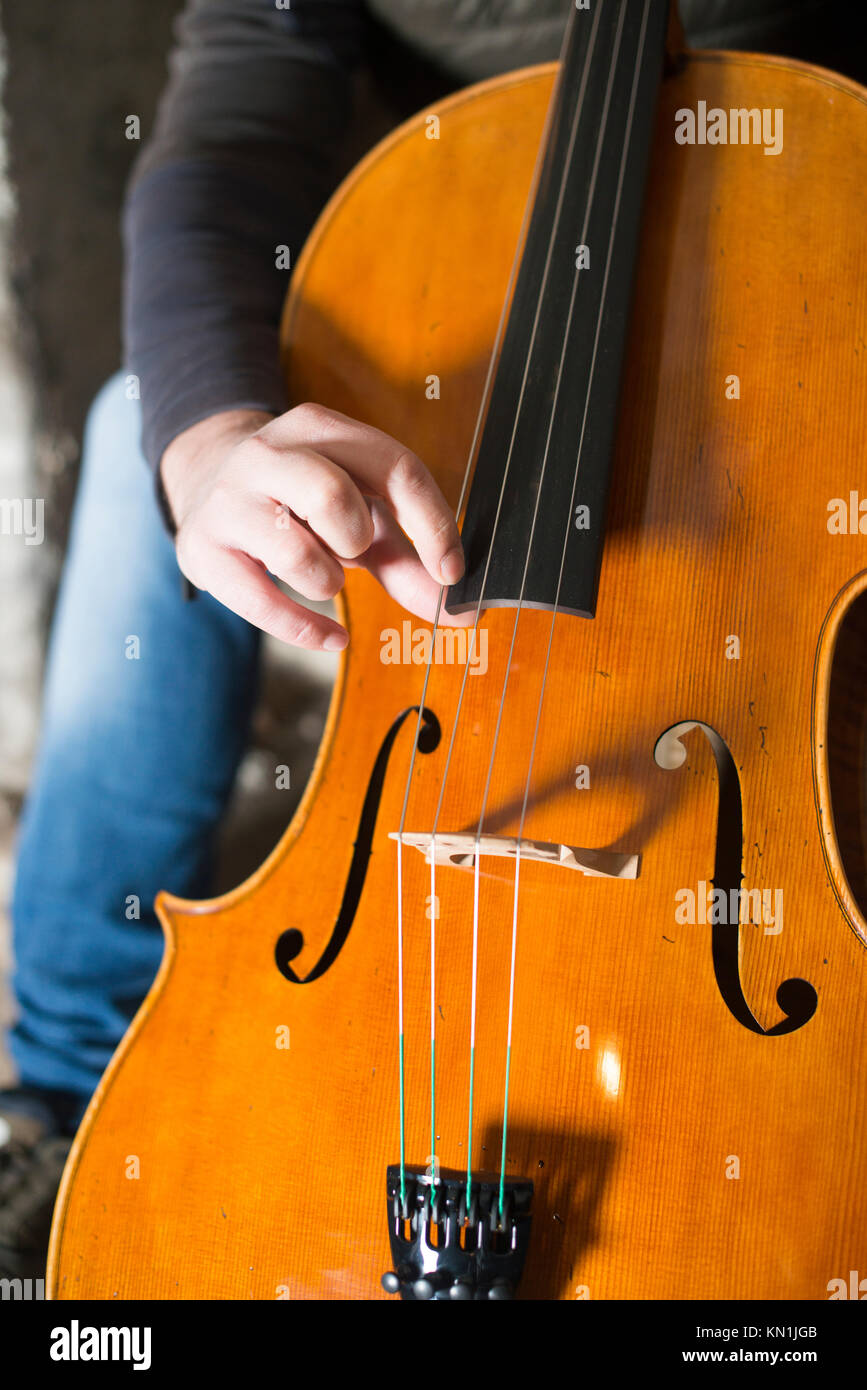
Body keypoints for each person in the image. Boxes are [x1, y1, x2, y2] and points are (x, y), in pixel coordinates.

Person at [0, 0, 850, 1279]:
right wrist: (212, 440)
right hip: (477, 231)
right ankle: (55, 1088)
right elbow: (239, 107)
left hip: (814, 223)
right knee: (153, 421)